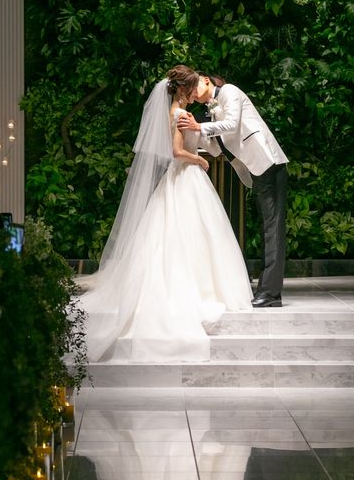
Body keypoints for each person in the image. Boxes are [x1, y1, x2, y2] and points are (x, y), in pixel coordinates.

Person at [79, 65, 252, 363]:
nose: (196, 93)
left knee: (190, 233)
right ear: (184, 89)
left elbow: (199, 143)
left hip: (187, 178)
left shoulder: (181, 113)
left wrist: (205, 142)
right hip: (185, 176)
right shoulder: (178, 113)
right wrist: (198, 160)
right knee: (186, 233)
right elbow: (176, 152)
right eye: (193, 88)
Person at [177, 73, 289, 307]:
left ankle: (271, 294)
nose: (193, 93)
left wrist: (200, 126)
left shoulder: (229, 92)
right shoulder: (210, 111)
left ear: (205, 80)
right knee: (267, 227)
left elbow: (231, 124)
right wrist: (191, 132)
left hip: (269, 162)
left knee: (273, 227)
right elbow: (216, 150)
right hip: (256, 169)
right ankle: (268, 290)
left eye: (194, 86)